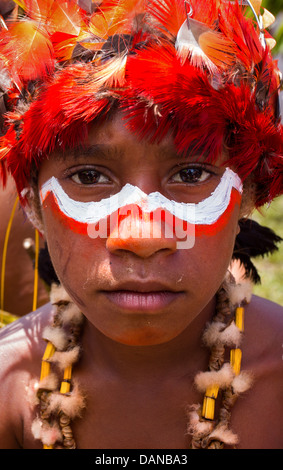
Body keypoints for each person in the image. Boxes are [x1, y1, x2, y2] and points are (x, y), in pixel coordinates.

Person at [0, 0, 282, 450]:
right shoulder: (9, 388)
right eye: (89, 177)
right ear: (33, 203)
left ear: (246, 197)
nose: (143, 237)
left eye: (191, 175)